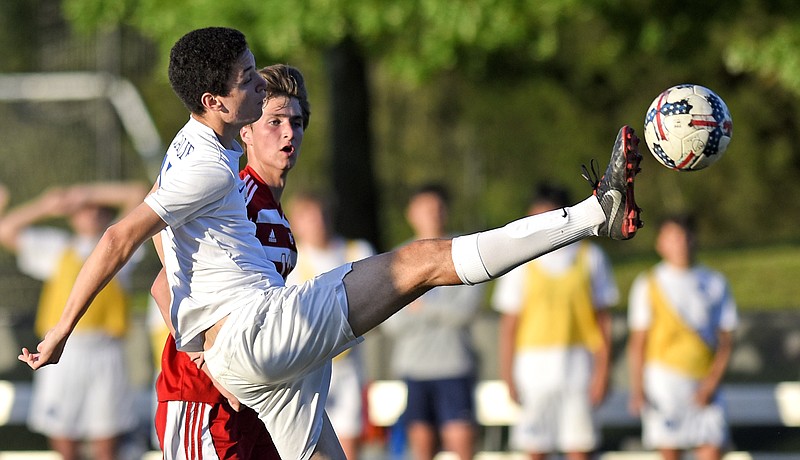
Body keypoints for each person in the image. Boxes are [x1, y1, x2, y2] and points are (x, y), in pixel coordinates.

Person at [18, 26, 644, 460]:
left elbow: (166, 239)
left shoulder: (211, 157)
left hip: (264, 369)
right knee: (423, 260)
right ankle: (593, 214)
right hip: (213, 384)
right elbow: (139, 247)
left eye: (293, 117)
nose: (275, 112)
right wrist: (65, 334)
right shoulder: (216, 171)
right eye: (255, 92)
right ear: (220, 105)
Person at [151, 63, 311, 460]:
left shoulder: (273, 208)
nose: (288, 132)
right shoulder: (234, 198)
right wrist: (209, 367)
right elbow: (163, 285)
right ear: (246, 131)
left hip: (256, 398)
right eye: (274, 121)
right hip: (202, 398)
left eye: (296, 121)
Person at [0, 181, 148, 460]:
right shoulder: (58, 248)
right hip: (64, 352)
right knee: (63, 436)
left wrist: (87, 193)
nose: (91, 213)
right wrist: (46, 205)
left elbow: (138, 193)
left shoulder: (120, 244)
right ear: (72, 216)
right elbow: (6, 230)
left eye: (98, 209)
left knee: (107, 441)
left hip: (107, 352)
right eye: (83, 209)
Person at [491, 183, 619, 460]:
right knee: (536, 449)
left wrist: (602, 371)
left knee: (580, 448)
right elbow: (509, 324)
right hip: (533, 368)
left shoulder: (592, 258)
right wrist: (508, 376)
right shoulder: (521, 262)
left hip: (579, 365)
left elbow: (603, 321)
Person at [381, 183, 484, 460]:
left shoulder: (463, 250)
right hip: (414, 368)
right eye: (426, 209)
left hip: (454, 364)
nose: (433, 215)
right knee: (421, 445)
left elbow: (465, 311)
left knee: (462, 441)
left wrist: (422, 307)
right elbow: (391, 323)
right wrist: (441, 310)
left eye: (438, 208)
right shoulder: (397, 258)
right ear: (410, 214)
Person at [627, 214, 737, 460]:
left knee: (711, 449)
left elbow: (726, 340)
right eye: (672, 237)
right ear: (660, 243)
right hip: (664, 383)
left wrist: (711, 383)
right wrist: (637, 389)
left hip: (705, 380)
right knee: (670, 451)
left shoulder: (715, 282)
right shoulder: (648, 284)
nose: (680, 243)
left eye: (685, 236)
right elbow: (638, 342)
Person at [286, 192, 376, 460]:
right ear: (294, 223)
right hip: (306, 369)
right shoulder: (290, 260)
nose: (317, 222)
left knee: (348, 448)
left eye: (320, 214)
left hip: (347, 368)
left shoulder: (357, 252)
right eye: (307, 217)